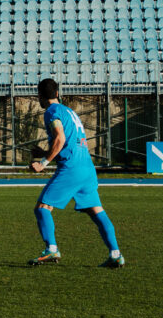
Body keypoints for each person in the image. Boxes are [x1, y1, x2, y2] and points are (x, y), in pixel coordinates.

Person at [28, 78, 124, 268]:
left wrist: (43, 162)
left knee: (42, 207)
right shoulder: (69, 111)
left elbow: (60, 138)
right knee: (96, 211)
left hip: (71, 168)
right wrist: (45, 152)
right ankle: (116, 254)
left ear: (39, 96)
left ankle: (52, 248)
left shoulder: (51, 112)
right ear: (57, 93)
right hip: (87, 168)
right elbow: (70, 141)